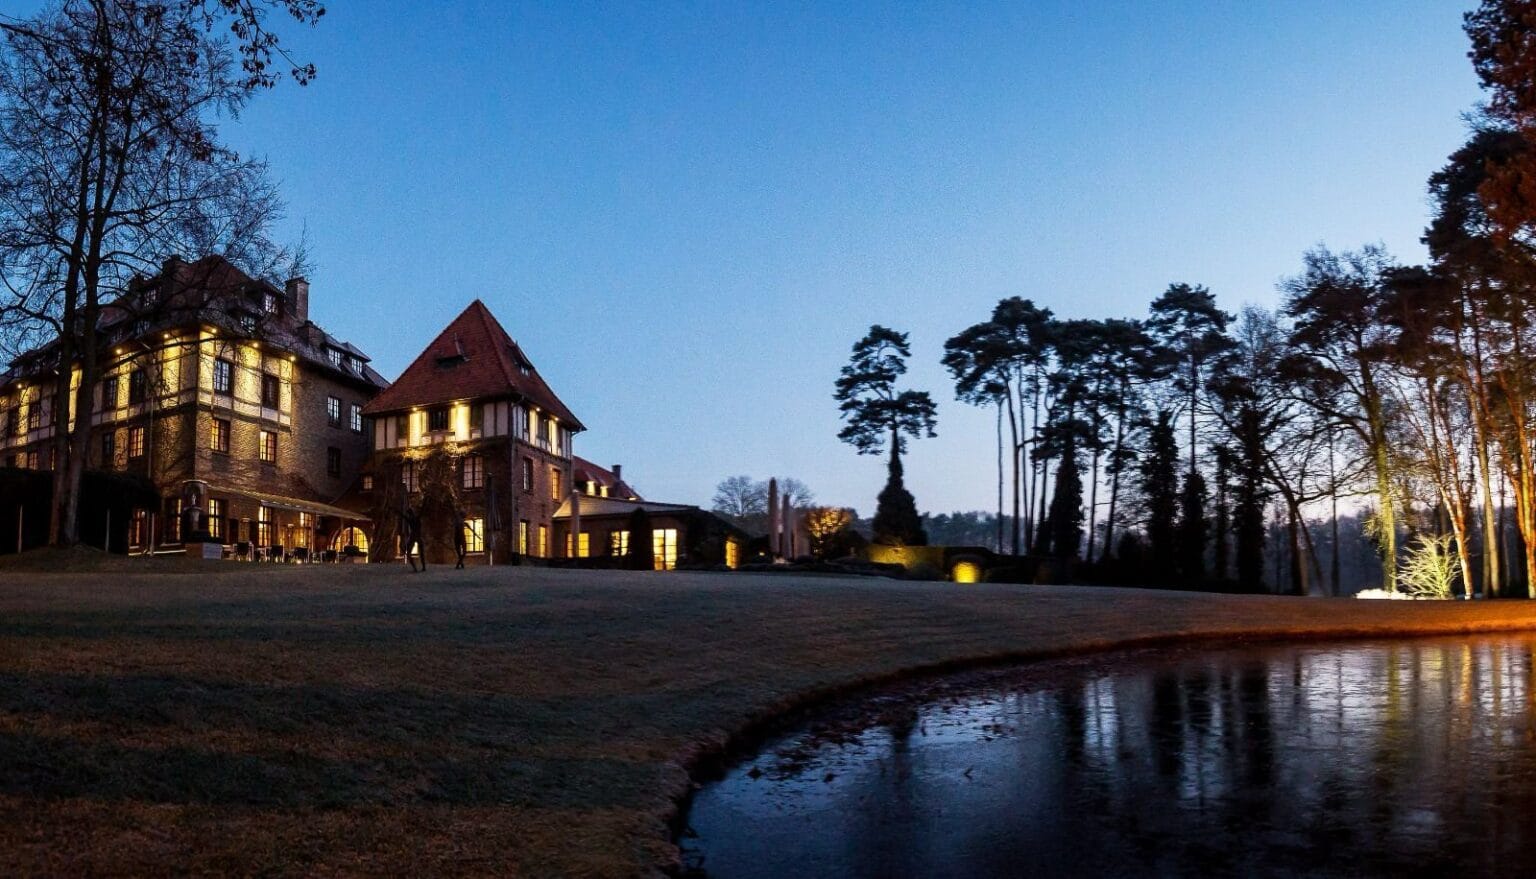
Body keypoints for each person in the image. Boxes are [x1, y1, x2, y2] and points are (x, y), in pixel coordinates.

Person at [402, 506, 425, 573]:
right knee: (421, 552)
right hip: (418, 536)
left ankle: (416, 567)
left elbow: (403, 516)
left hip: (414, 536)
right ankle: (423, 567)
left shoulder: (411, 519)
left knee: (408, 552)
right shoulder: (416, 518)